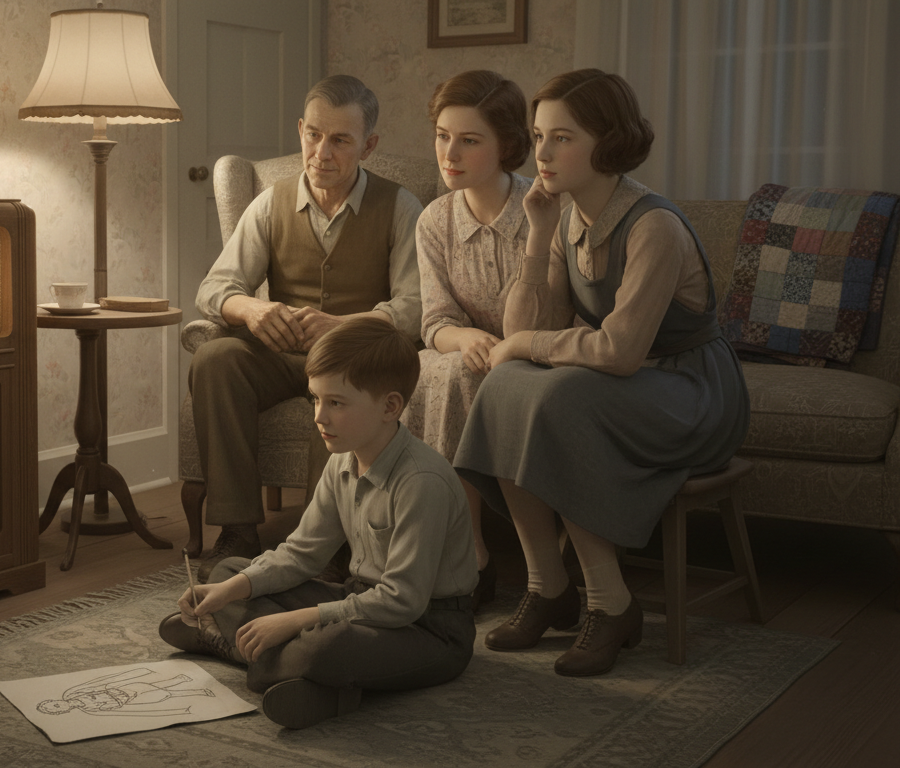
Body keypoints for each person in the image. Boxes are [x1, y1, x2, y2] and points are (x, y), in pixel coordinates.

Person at [453, 69, 750, 676]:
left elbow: (619, 352)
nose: (542, 153)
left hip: (691, 393)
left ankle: (612, 603)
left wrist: (527, 344)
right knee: (504, 386)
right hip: (632, 385)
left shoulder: (654, 226)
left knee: (564, 399)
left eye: (562, 137)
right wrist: (537, 237)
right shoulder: (565, 219)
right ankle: (548, 586)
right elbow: (521, 333)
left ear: (607, 142)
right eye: (539, 136)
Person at [160, 317, 477, 730]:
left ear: (390, 406)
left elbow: (401, 602)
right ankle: (298, 674)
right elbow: (300, 554)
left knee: (328, 646)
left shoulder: (422, 482)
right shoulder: (341, 461)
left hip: (430, 630)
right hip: (358, 599)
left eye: (336, 403)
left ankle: (237, 649)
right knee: (229, 570)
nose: (319, 417)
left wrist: (293, 621)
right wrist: (226, 592)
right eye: (315, 400)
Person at [191, 75, 424, 580]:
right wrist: (251, 310)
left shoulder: (401, 207)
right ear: (300, 130)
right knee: (216, 358)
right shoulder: (270, 203)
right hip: (280, 355)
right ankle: (236, 532)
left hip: (355, 360)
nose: (322, 152)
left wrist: (344, 326)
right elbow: (214, 288)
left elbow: (416, 305)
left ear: (369, 144)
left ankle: (330, 546)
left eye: (340, 139)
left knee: (342, 389)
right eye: (314, 134)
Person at [400, 70, 533, 612]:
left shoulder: (545, 211)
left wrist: (498, 345)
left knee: (470, 374)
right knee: (443, 370)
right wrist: (466, 337)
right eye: (441, 135)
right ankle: (465, 549)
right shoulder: (435, 219)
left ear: (507, 146)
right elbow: (433, 323)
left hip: (530, 354)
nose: (448, 153)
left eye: (469, 140)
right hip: (460, 352)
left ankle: (473, 557)